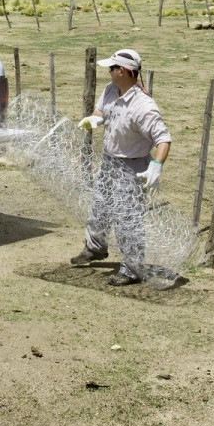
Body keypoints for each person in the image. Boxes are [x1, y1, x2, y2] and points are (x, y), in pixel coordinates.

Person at [71, 48, 172, 285]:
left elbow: (163, 139)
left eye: (112, 68)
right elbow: (101, 110)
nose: (109, 71)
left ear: (124, 72)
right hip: (109, 160)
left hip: (132, 165)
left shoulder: (143, 106)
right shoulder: (111, 90)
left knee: (128, 219)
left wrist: (156, 166)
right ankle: (95, 248)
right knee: (99, 207)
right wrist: (95, 118)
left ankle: (131, 268)